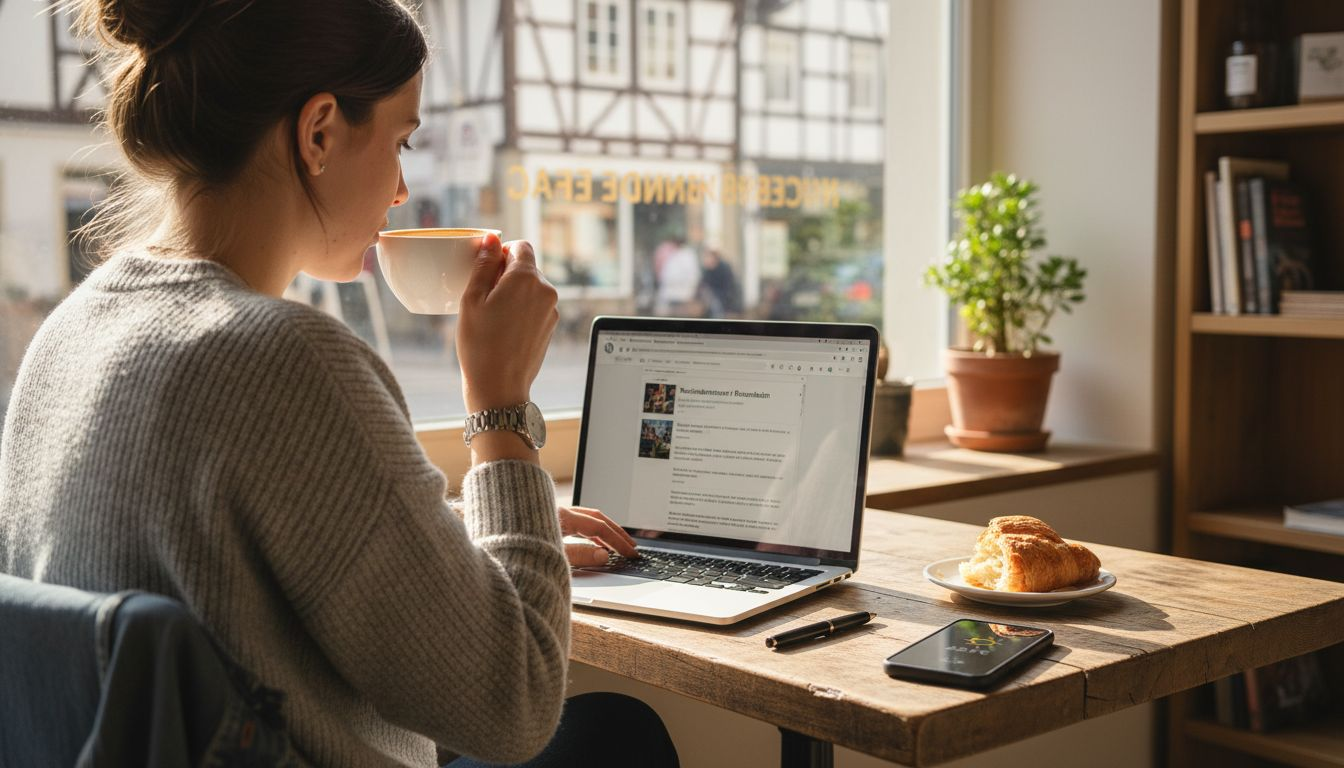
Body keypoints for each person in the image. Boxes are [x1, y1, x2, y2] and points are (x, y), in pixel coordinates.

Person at [0, 2, 676, 767]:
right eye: (401, 141)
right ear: (319, 131)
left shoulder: (71, 330)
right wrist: (500, 410)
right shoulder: (282, 359)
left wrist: (472, 538)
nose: (399, 189)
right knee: (618, 735)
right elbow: (513, 707)